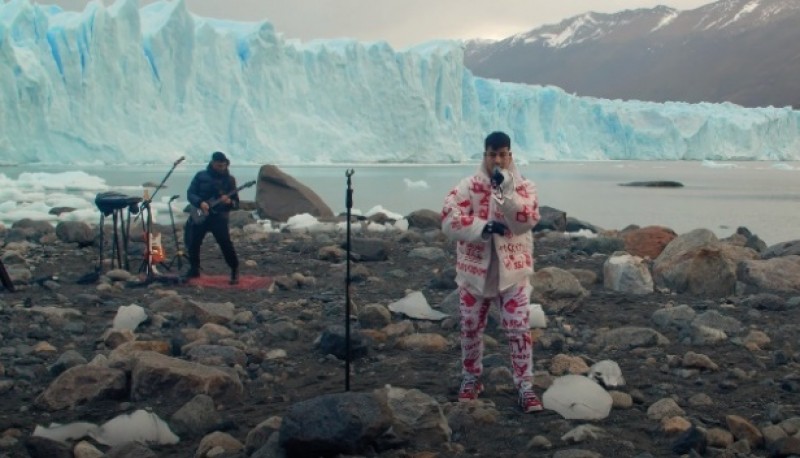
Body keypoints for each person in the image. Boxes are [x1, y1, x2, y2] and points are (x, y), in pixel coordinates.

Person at [441, 131, 543, 413]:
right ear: (484, 155)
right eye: (492, 154)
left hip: (513, 272)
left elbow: (527, 220)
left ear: (510, 155)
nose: (497, 160)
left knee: (519, 329)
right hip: (474, 272)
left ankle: (525, 386)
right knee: (470, 327)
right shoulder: (468, 186)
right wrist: (482, 227)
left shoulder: (524, 187)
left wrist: (506, 192)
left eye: (503, 154)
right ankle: (472, 378)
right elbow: (448, 219)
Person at [184, 151, 240, 285]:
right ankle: (194, 269)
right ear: (213, 163)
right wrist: (200, 203)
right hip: (200, 215)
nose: (221, 168)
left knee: (225, 243)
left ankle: (234, 269)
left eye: (223, 165)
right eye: (219, 165)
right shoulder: (200, 176)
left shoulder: (229, 180)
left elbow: (236, 203)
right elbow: (190, 193)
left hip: (219, 218)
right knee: (194, 242)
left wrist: (229, 202)